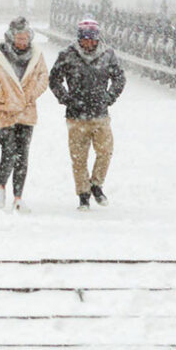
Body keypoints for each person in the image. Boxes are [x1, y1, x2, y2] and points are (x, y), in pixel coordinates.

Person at [48, 15, 127, 209]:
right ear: (79, 38)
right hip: (76, 117)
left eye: (92, 38)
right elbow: (54, 79)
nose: (89, 42)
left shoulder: (108, 55)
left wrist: (109, 97)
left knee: (105, 151)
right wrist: (66, 98)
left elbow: (119, 78)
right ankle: (83, 195)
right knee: (79, 158)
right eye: (85, 38)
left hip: (100, 115)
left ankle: (96, 184)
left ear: (98, 38)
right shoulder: (67, 55)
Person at [0, 15, 49, 212]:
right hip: (3, 111)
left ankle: (18, 197)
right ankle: (1, 187)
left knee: (23, 155)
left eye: (26, 38)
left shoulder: (36, 56)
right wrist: (5, 97)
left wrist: (29, 95)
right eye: (19, 38)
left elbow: (43, 78)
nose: (23, 42)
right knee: (9, 150)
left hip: (26, 112)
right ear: (11, 37)